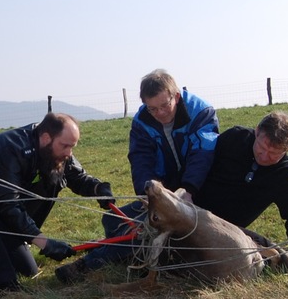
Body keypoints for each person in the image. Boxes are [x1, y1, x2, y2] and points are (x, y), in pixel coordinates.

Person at [57, 69, 219, 282]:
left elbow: (203, 153)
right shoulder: (142, 120)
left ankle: (87, 264)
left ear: (176, 97)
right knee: (112, 220)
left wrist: (188, 190)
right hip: (164, 191)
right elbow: (140, 158)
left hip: (199, 190)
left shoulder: (201, 112)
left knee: (145, 229)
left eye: (164, 106)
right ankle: (121, 250)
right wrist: (147, 192)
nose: (159, 114)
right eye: (152, 109)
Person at [0, 112, 115, 291]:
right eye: (65, 146)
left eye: (72, 146)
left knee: (26, 268)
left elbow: (78, 178)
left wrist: (99, 189)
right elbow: (9, 204)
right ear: (46, 138)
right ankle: (5, 283)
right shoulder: (11, 148)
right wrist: (44, 243)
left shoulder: (56, 152)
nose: (69, 152)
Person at [195, 110, 288, 276]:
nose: (264, 156)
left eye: (274, 154)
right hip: (192, 213)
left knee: (273, 252)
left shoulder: (285, 178)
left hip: (228, 232)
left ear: (287, 150)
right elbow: (197, 165)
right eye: (262, 147)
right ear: (257, 131)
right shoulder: (234, 139)